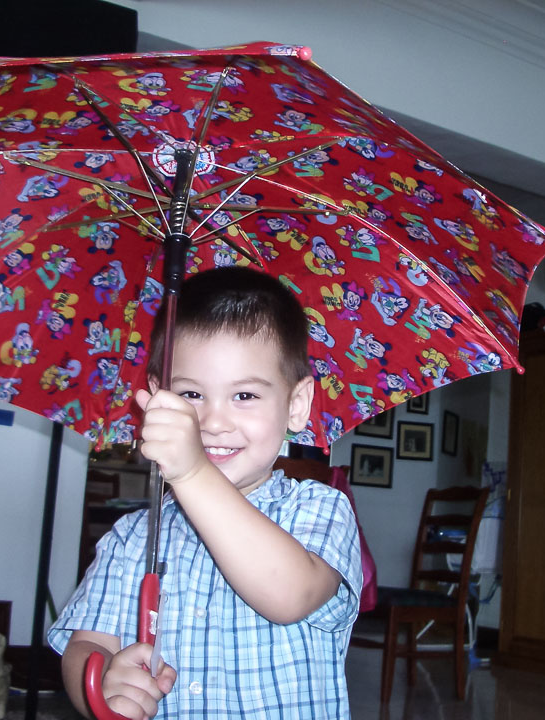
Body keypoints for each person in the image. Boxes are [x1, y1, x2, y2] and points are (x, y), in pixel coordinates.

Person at [48, 266, 363, 720]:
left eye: (245, 396)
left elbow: (290, 595)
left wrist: (194, 471)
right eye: (191, 395)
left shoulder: (319, 508)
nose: (213, 422)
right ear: (157, 400)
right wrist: (104, 684)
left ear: (296, 405)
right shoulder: (131, 537)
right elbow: (87, 643)